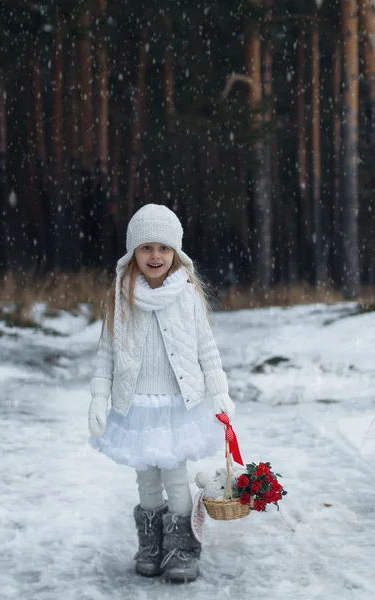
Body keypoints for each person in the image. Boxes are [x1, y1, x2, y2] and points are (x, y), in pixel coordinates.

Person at [88, 203, 235, 583]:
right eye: (146, 248)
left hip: (176, 406)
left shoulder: (187, 296)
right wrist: (97, 397)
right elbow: (107, 351)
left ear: (176, 253)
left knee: (175, 478)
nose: (155, 256)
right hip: (136, 407)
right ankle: (151, 544)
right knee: (147, 481)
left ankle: (181, 546)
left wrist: (219, 393)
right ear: (133, 252)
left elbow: (206, 349)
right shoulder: (122, 297)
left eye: (164, 248)